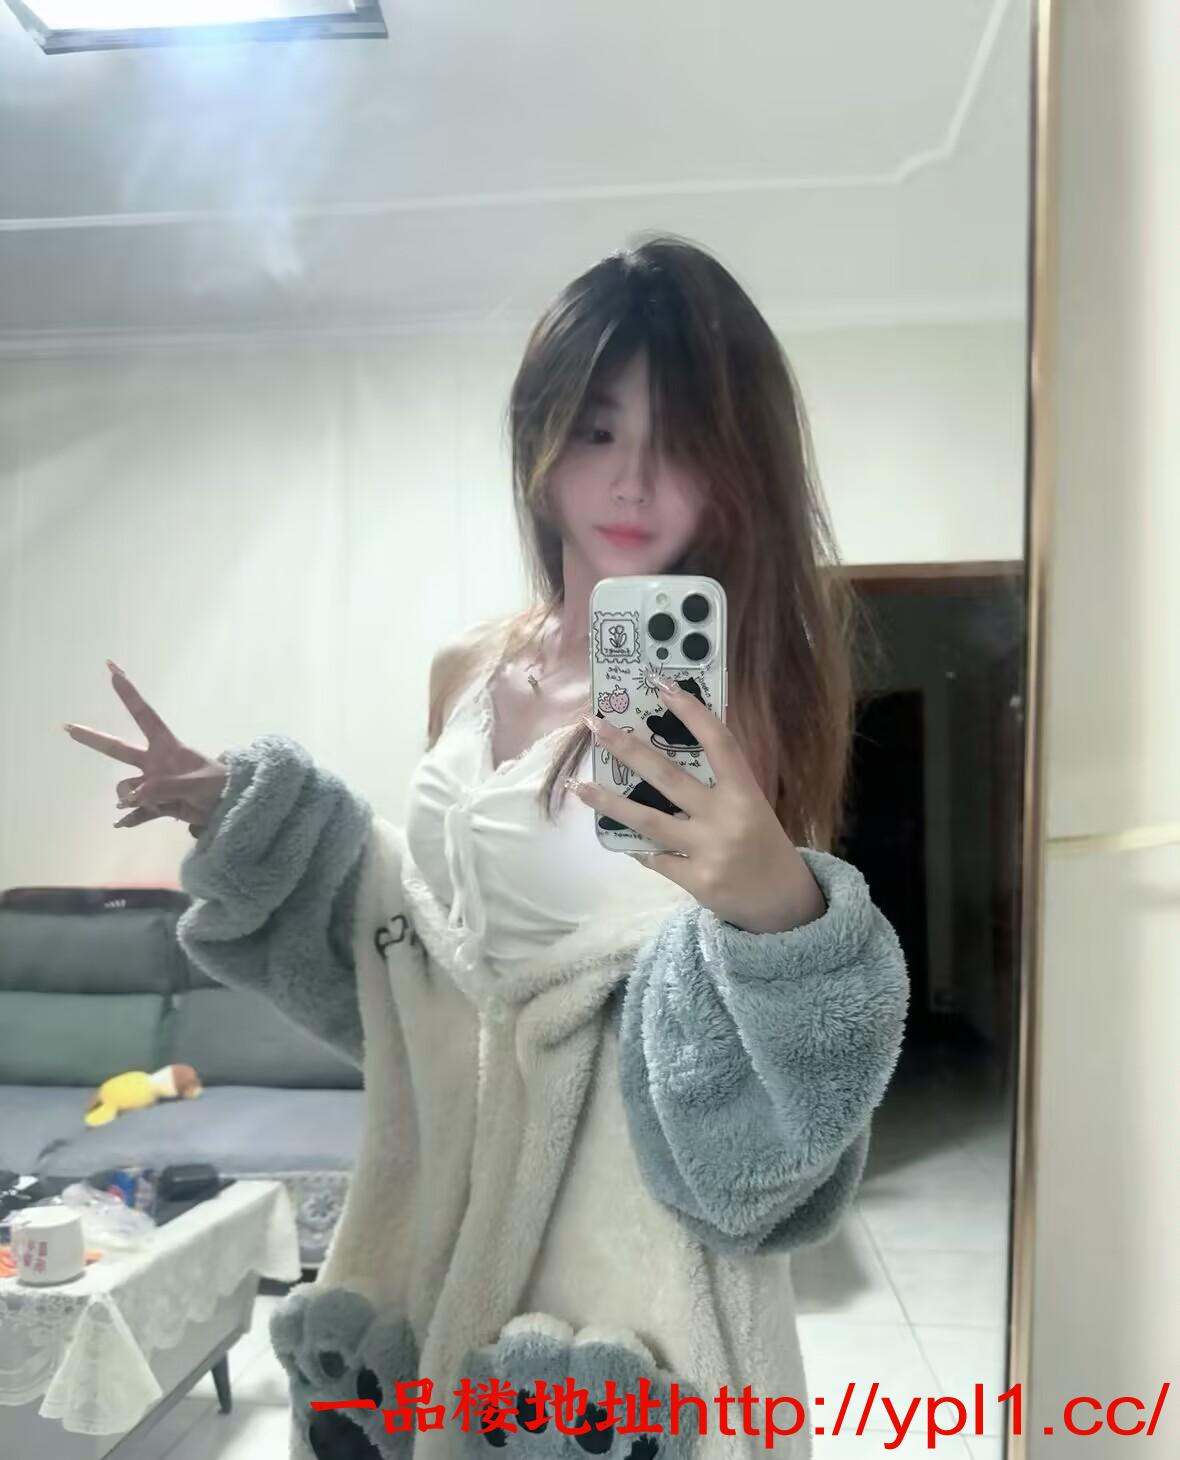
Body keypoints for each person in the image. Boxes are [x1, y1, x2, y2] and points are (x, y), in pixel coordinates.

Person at [65, 236, 909, 1460]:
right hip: (439, 1181)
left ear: (736, 468)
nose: (632, 481)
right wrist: (239, 812)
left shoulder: (741, 690)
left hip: (624, 1231)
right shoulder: (466, 665)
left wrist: (780, 907)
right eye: (597, 429)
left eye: (679, 440)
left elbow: (761, 1049)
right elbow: (413, 925)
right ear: (539, 439)